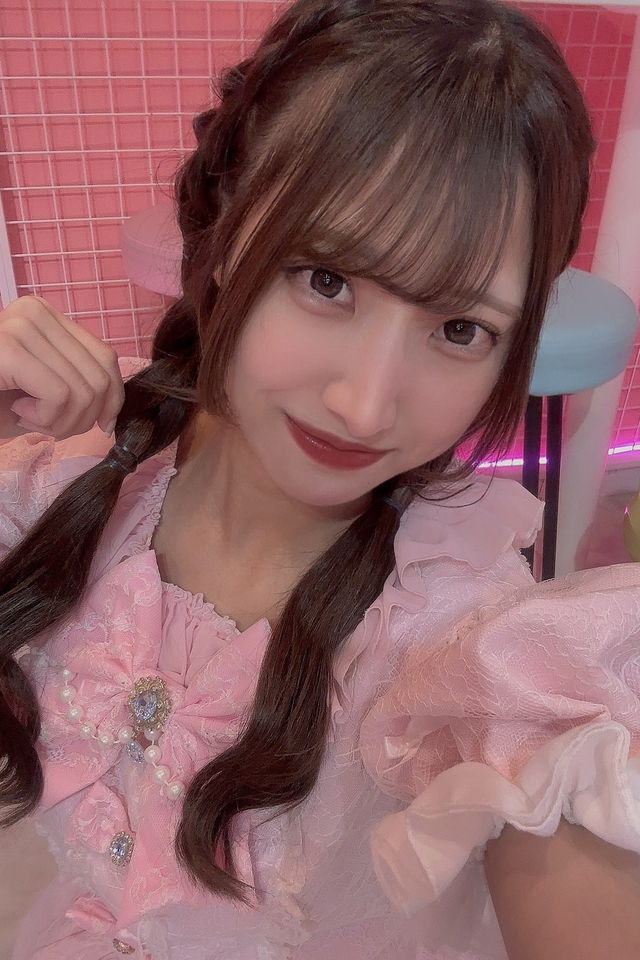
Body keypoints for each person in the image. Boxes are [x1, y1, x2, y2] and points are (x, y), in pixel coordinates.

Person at [1, 0, 640, 957]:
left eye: (459, 328)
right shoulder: (73, 478)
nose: (366, 407)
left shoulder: (453, 635)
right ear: (226, 226)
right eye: (327, 280)